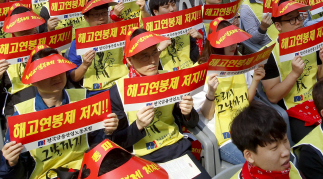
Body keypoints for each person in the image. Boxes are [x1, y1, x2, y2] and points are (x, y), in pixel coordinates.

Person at [0, 45, 123, 179]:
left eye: (59, 70)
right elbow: (11, 174)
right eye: (47, 74)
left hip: (87, 170)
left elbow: (98, 143)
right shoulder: (22, 116)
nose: (56, 77)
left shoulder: (84, 99)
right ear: (33, 81)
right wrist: (11, 162)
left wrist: (108, 131)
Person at [119, 30, 210, 178]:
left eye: (155, 53)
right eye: (144, 56)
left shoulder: (170, 78)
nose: (153, 61)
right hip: (142, 160)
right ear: (129, 60)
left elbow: (192, 123)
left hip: (177, 149)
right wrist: (138, 126)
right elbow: (117, 142)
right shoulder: (117, 90)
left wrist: (187, 113)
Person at [194, 18, 265, 165]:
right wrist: (211, 93)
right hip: (222, 138)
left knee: (275, 154)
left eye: (235, 40)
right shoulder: (200, 71)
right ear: (216, 44)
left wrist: (256, 79)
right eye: (228, 42)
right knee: (259, 164)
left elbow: (245, 101)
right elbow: (207, 115)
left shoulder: (239, 61)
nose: (234, 45)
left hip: (246, 125)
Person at [261, 0, 323, 143]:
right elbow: (273, 97)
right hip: (292, 111)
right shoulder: (268, 54)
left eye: (299, 17)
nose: (298, 22)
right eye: (291, 20)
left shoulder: (313, 42)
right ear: (278, 26)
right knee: (318, 142)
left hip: (318, 100)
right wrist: (294, 74)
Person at [229, 101, 303, 178]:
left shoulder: (289, 169)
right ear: (249, 156)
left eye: (285, 140)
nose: (286, 152)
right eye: (274, 147)